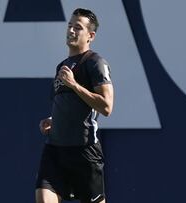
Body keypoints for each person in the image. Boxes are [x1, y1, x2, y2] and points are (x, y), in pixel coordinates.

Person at [35, 8, 114, 203]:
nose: (71, 30)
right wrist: (53, 120)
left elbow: (106, 107)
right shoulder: (62, 66)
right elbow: (67, 104)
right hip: (55, 149)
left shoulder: (95, 63)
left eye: (77, 27)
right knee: (44, 199)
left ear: (90, 35)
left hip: (84, 151)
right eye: (70, 26)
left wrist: (75, 85)